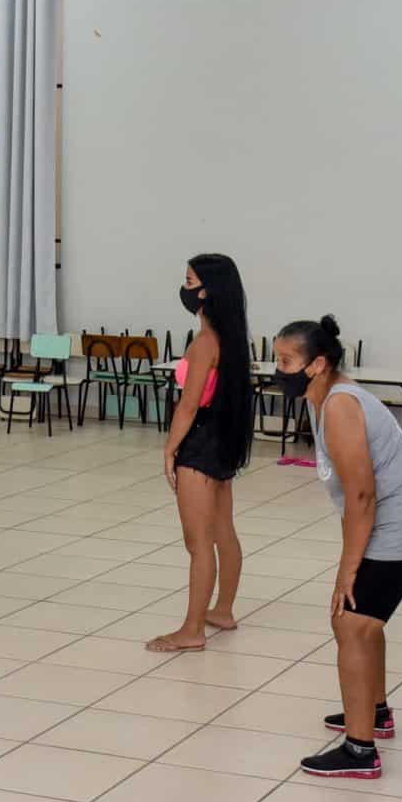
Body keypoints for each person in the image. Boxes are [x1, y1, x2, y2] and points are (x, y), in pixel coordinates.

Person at [273, 316, 402, 777]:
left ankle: (360, 750)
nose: (278, 370)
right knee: (364, 621)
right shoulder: (325, 398)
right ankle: (374, 712)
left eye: (286, 361)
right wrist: (350, 563)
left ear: (317, 364)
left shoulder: (339, 405)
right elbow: (353, 499)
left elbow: (361, 496)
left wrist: (347, 571)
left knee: (350, 623)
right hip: (400, 518)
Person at [147, 254, 252, 652]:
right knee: (223, 530)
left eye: (189, 281)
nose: (185, 288)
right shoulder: (230, 337)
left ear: (207, 291)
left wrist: (170, 449)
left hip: (200, 445)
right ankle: (222, 610)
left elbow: (188, 406)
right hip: (222, 443)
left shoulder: (206, 343)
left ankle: (192, 630)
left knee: (198, 542)